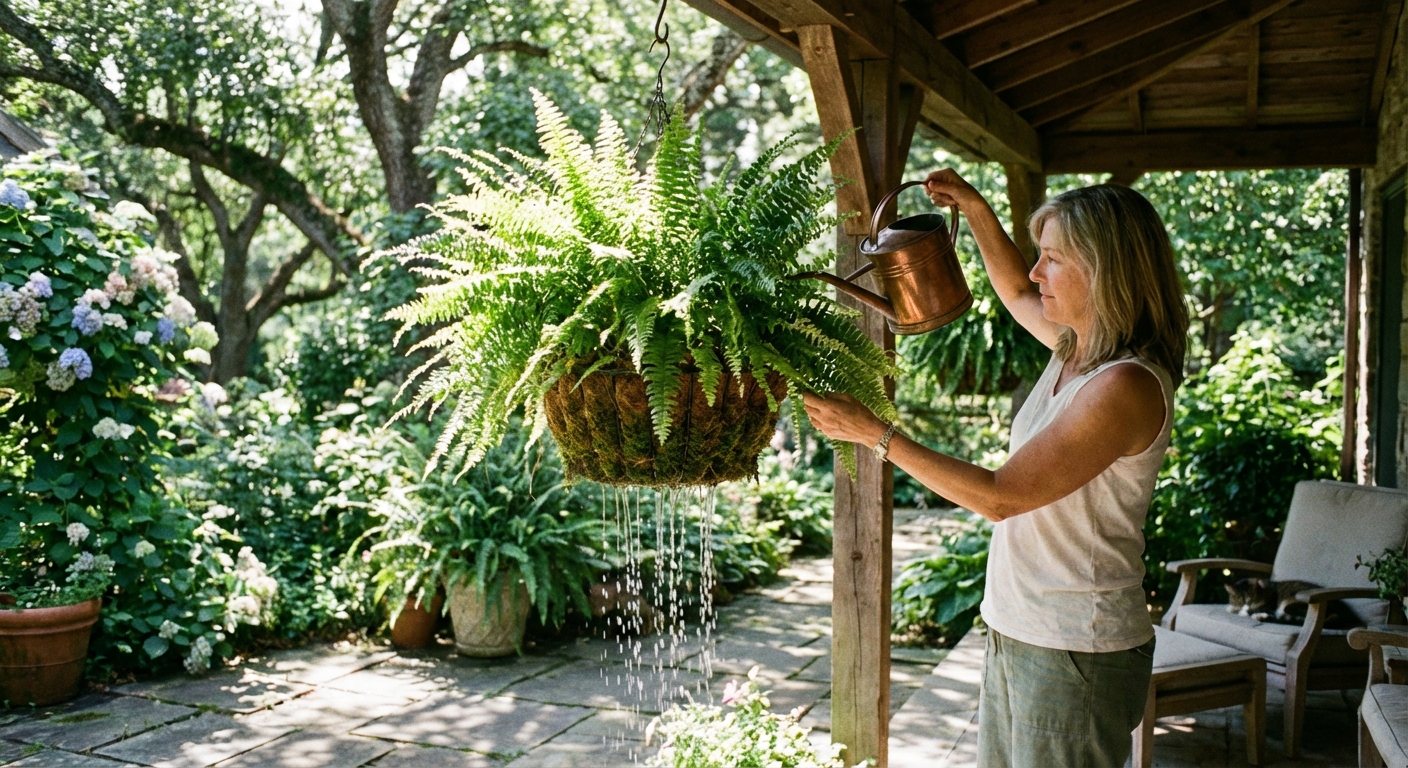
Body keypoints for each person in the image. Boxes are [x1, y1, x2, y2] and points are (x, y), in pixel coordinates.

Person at [801, 169, 1189, 768]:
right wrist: (974, 207)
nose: (1037, 273)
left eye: (1053, 259)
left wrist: (873, 434)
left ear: (1106, 271)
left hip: (1073, 647)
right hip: (1021, 627)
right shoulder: (1075, 349)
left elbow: (1001, 497)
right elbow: (1013, 292)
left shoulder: (1124, 386)